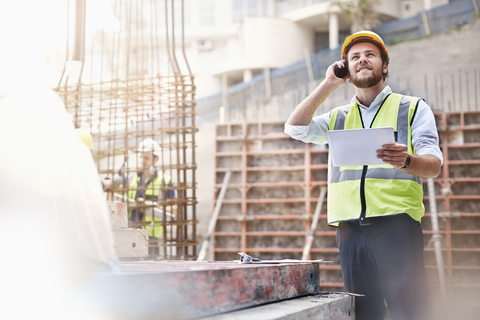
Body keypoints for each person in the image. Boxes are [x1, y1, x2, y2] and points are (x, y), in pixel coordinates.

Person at [284, 30, 442, 320]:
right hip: (350, 232)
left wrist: (407, 160)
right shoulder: (338, 117)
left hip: (397, 227)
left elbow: (433, 164)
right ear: (346, 68)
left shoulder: (412, 108)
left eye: (370, 54)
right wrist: (329, 83)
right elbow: (294, 128)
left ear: (384, 64)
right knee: (362, 314)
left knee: (410, 312)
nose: (362, 60)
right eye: (354, 57)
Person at [125, 138, 176, 241]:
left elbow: (174, 210)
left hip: (151, 236)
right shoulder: (130, 178)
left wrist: (153, 207)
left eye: (147, 158)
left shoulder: (165, 180)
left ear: (156, 159)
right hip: (129, 232)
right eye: (140, 157)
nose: (142, 161)